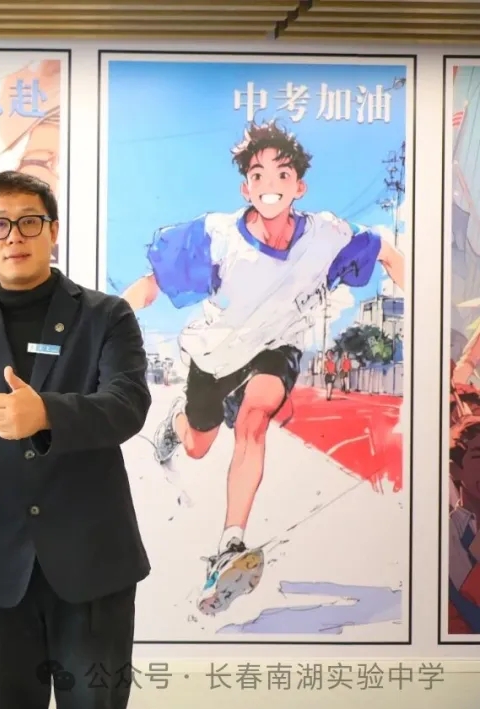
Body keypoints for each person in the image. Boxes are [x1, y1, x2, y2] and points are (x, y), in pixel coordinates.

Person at [119, 120, 405, 616]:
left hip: (278, 347)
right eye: (258, 175)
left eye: (282, 174)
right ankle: (178, 423)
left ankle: (230, 544)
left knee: (254, 421)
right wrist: (105, 322)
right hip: (216, 354)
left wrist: (426, 303)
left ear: (299, 187)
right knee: (198, 445)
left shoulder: (327, 234)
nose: (270, 185)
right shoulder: (217, 236)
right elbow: (151, 285)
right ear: (246, 188)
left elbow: (385, 251)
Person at [0, 171, 152, 709]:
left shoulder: (106, 316)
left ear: (53, 231)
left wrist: (47, 414)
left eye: (29, 222)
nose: (15, 236)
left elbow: (128, 404)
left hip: (93, 565)